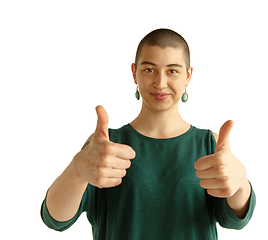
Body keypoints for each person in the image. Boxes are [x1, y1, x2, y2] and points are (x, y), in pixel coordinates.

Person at [41, 28, 256, 239]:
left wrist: (240, 182)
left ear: (188, 76)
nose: (160, 83)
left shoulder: (210, 145)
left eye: (172, 70)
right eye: (149, 69)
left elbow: (236, 218)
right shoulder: (106, 145)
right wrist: (76, 169)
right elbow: (56, 218)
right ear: (134, 72)